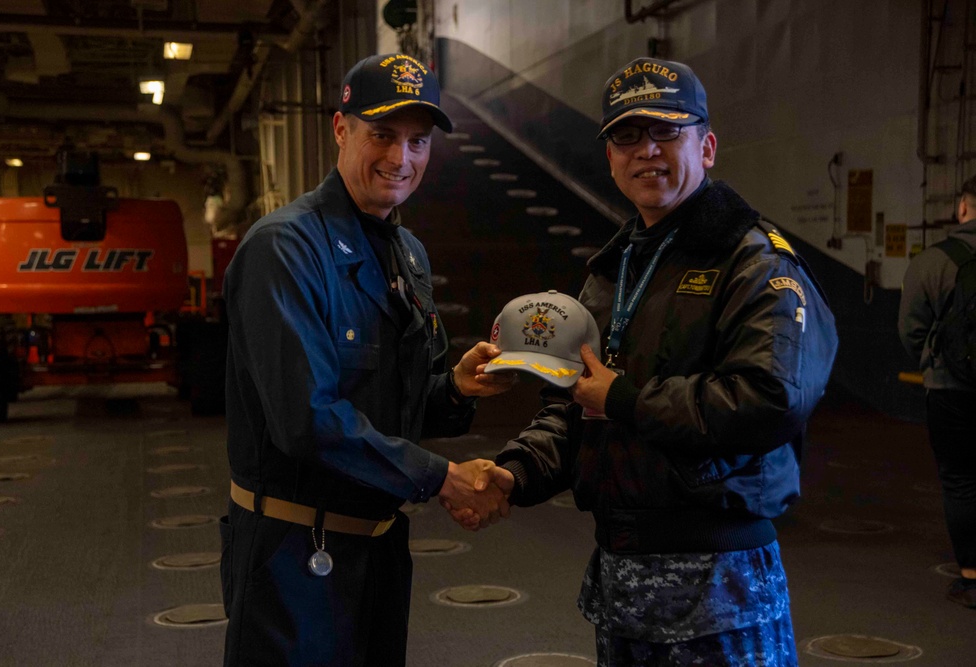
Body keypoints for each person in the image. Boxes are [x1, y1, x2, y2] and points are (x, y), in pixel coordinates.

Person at [451, 56, 838, 665]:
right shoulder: (611, 273)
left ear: (706, 147)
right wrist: (514, 473)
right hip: (623, 588)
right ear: (610, 157)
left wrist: (625, 398)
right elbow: (573, 406)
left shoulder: (756, 262)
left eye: (666, 131)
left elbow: (771, 399)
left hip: (721, 589)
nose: (646, 150)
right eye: (627, 136)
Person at [218, 53, 515, 667]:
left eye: (417, 142)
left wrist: (454, 388)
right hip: (294, 554)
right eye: (382, 135)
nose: (399, 159)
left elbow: (389, 406)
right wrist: (442, 477)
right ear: (340, 129)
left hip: (379, 549)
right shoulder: (285, 248)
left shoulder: (406, 251)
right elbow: (308, 420)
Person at [898, 173, 976, 610]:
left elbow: (910, 328)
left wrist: (932, 365)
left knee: (961, 480)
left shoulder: (934, 260)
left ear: (963, 207)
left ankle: (971, 577)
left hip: (951, 388)